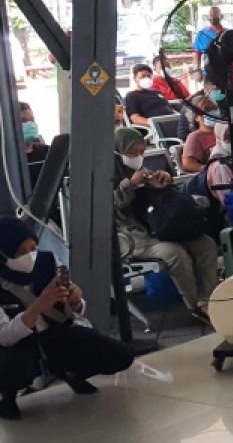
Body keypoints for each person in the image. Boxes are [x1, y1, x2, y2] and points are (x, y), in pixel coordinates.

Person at [0, 218, 133, 420]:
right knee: (14, 366)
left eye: (33, 247)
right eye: (21, 251)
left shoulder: (46, 262)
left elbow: (75, 311)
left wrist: (76, 301)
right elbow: (4, 336)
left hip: (55, 334)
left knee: (120, 355)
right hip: (18, 345)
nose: (30, 256)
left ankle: (70, 371)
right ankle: (7, 398)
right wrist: (37, 307)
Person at [113, 128, 219, 321]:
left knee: (206, 245)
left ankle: (209, 300)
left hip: (159, 227)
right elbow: (109, 207)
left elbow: (161, 201)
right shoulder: (107, 172)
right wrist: (130, 184)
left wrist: (163, 183)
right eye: (132, 153)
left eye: (141, 152)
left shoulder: (141, 171)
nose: (138, 157)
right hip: (132, 235)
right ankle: (194, 305)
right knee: (175, 253)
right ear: (118, 151)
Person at [180, 108, 219, 173]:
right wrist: (210, 171)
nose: (211, 114)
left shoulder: (222, 131)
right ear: (196, 118)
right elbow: (188, 164)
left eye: (214, 110)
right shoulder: (194, 137)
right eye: (206, 111)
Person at [192, 6, 225, 74]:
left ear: (221, 16)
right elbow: (197, 54)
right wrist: (197, 72)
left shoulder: (227, 33)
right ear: (208, 17)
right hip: (208, 74)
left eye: (216, 14)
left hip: (225, 74)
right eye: (211, 15)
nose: (213, 17)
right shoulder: (202, 34)